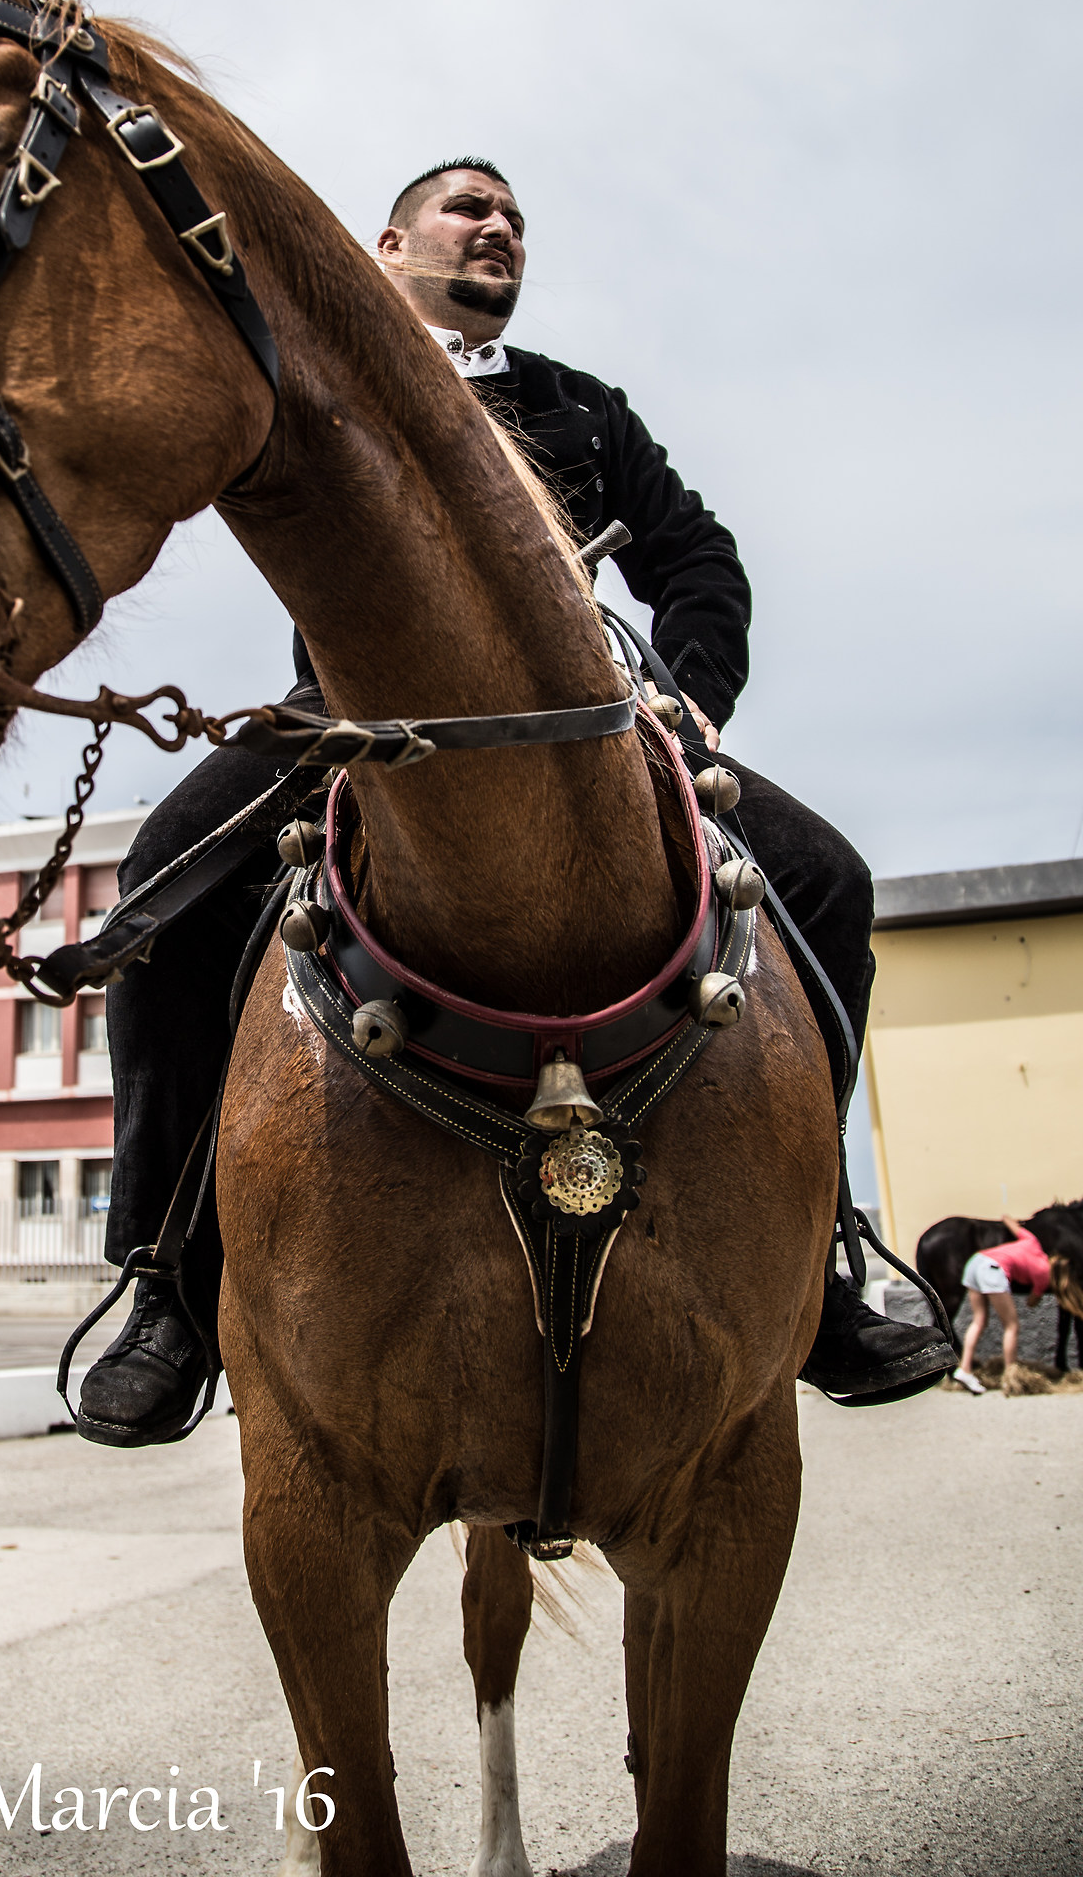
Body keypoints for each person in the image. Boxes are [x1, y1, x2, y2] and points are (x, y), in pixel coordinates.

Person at [77, 159, 956, 1447]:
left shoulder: (583, 408)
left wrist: (692, 698)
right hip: (348, 721)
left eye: (516, 220)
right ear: (386, 246)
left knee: (825, 878)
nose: (500, 230)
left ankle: (818, 1262)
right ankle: (167, 1278)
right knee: (163, 888)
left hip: (608, 724)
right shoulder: (314, 378)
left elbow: (697, 559)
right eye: (469, 209)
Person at [953, 1218, 1053, 1394]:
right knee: (1011, 1325)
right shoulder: (1045, 1272)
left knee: (979, 1320)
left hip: (976, 1262)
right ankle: (1010, 1377)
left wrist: (1007, 1217)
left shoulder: (1031, 1240)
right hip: (993, 1269)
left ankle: (965, 1369)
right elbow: (1033, 1301)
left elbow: (1010, 1222)